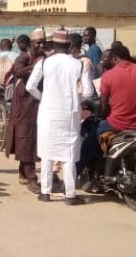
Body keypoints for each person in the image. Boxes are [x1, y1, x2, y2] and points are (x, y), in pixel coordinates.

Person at [27, 30, 93, 204]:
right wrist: (75, 99)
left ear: (53, 45)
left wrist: (44, 97)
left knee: (47, 151)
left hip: (47, 112)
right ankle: (70, 195)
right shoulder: (79, 64)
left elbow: (30, 87)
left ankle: (45, 192)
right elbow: (88, 91)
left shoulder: (43, 63)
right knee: (69, 154)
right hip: (69, 113)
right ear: (70, 45)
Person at [4, 31, 44, 194]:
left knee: (31, 138)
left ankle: (23, 172)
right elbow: (18, 72)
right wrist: (33, 67)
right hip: (23, 103)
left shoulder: (44, 59)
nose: (41, 46)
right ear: (31, 44)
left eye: (43, 43)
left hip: (36, 101)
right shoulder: (24, 57)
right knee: (26, 138)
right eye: (38, 43)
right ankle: (32, 178)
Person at [69, 33, 95, 97]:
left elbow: (88, 91)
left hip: (81, 99)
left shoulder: (84, 61)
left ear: (72, 46)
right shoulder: (72, 59)